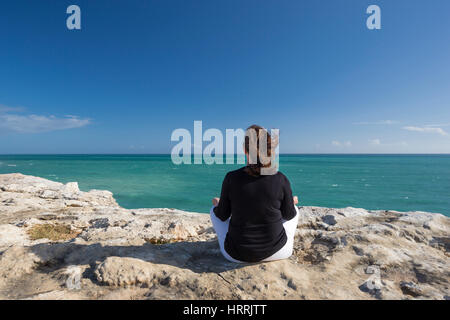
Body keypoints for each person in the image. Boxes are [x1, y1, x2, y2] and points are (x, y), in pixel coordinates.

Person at [210, 125, 299, 263]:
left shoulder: (231, 178)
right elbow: (289, 215)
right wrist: (290, 202)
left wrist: (218, 203)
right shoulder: (280, 178)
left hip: (236, 255)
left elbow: (222, 215)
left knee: (213, 211)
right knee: (296, 210)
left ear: (245, 150)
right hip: (278, 252)